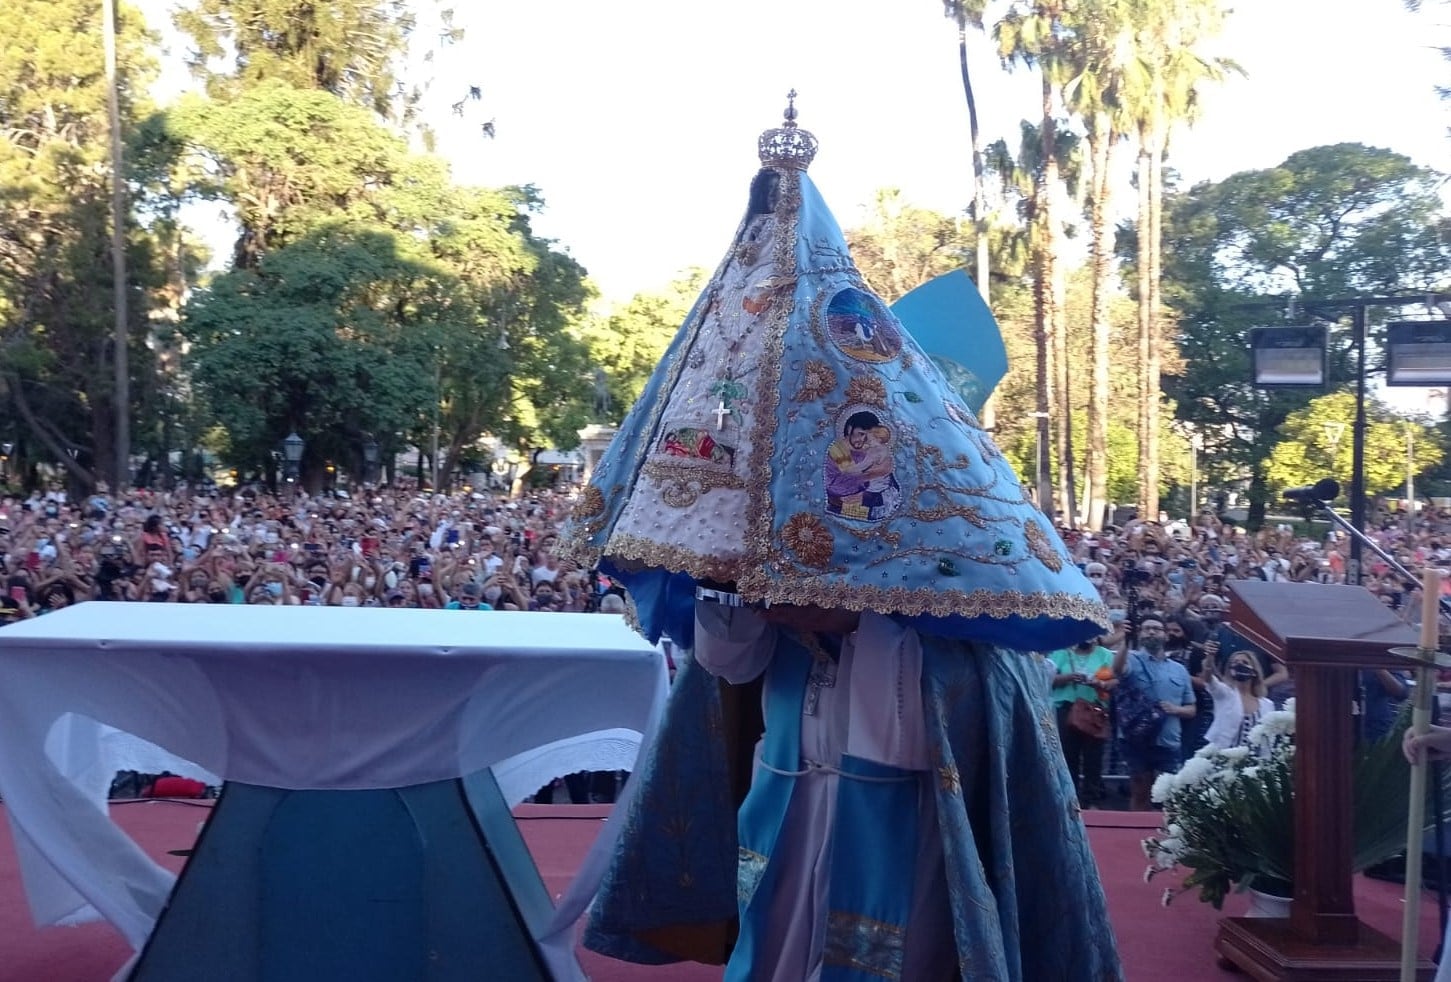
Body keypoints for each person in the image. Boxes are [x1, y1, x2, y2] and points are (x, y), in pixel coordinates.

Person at [569, 101, 1120, 981]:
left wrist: (855, 615)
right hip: (785, 785)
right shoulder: (776, 533)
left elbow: (949, 652)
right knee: (776, 947)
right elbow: (730, 666)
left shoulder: (963, 556)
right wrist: (735, 591)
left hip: (901, 793)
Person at [1113, 616, 1195, 810]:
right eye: (1147, 628)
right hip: (1136, 738)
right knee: (1140, 791)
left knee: (1171, 795)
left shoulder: (1180, 670)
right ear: (1140, 634)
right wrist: (1125, 641)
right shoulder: (1130, 658)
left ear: (1166, 635)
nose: (1151, 632)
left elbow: (1192, 708)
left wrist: (1176, 709)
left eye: (1157, 629)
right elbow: (1117, 669)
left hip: (1168, 739)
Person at [1048, 635, 1117, 807]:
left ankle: (1091, 801)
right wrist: (1070, 677)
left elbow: (1116, 679)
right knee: (1067, 758)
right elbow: (1047, 679)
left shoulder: (1106, 655)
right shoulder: (1060, 653)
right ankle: (1068, 803)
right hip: (1066, 710)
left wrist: (1100, 683)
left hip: (1095, 711)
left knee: (1093, 759)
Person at [1201, 649, 1273, 751]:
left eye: (1245, 663)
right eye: (1235, 662)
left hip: (1257, 761)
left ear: (1255, 671)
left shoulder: (1267, 704)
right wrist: (1209, 658)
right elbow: (1208, 679)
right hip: (1225, 757)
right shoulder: (1224, 694)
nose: (1239, 665)